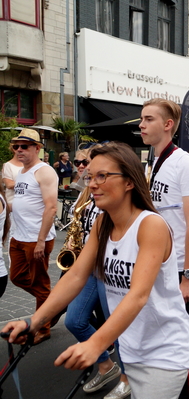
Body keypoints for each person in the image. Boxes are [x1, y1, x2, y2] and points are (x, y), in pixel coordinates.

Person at [3, 143, 189, 398]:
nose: (92, 183)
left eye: (102, 176)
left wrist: (96, 343)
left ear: (129, 182)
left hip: (163, 350)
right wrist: (34, 322)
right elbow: (76, 276)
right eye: (90, 176)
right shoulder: (103, 221)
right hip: (130, 345)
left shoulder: (151, 225)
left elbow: (138, 295)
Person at [139, 98, 189, 399]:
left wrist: (188, 275)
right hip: (157, 263)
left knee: (179, 340)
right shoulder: (153, 160)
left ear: (167, 125)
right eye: (141, 118)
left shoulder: (184, 163)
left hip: (177, 266)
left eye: (148, 119)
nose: (141, 124)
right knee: (160, 337)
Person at [61, 147, 125, 397]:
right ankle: (106, 365)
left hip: (109, 267)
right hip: (87, 265)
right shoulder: (86, 192)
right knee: (74, 320)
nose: (81, 166)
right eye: (78, 162)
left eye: (84, 162)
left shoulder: (111, 192)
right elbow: (79, 223)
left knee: (117, 327)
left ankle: (127, 378)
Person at [9, 128, 58, 345]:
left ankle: (43, 327)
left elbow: (51, 208)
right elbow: (20, 202)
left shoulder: (44, 171)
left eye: (24, 146)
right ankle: (52, 301)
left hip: (35, 239)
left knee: (40, 284)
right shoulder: (21, 172)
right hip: (18, 236)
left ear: (37, 148)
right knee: (17, 277)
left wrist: (40, 241)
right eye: (16, 146)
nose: (19, 150)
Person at [2, 144, 23, 212]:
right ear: (13, 149)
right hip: (12, 203)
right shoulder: (7, 165)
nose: (20, 149)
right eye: (16, 147)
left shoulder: (28, 165)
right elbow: (9, 184)